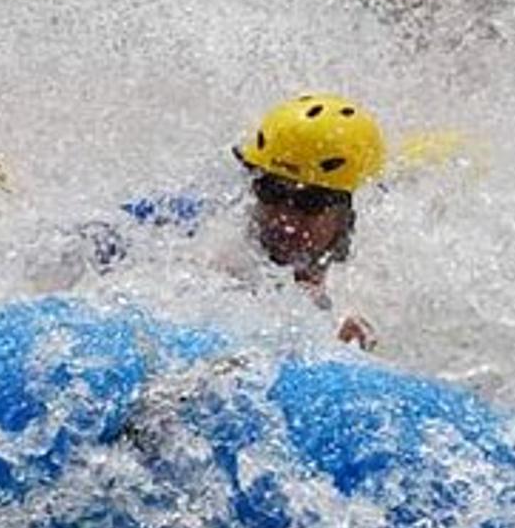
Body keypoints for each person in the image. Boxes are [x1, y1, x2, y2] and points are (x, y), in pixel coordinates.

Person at [59, 92, 385, 349]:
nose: (285, 217)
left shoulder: (373, 284)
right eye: (270, 190)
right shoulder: (205, 239)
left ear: (350, 213)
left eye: (309, 202)